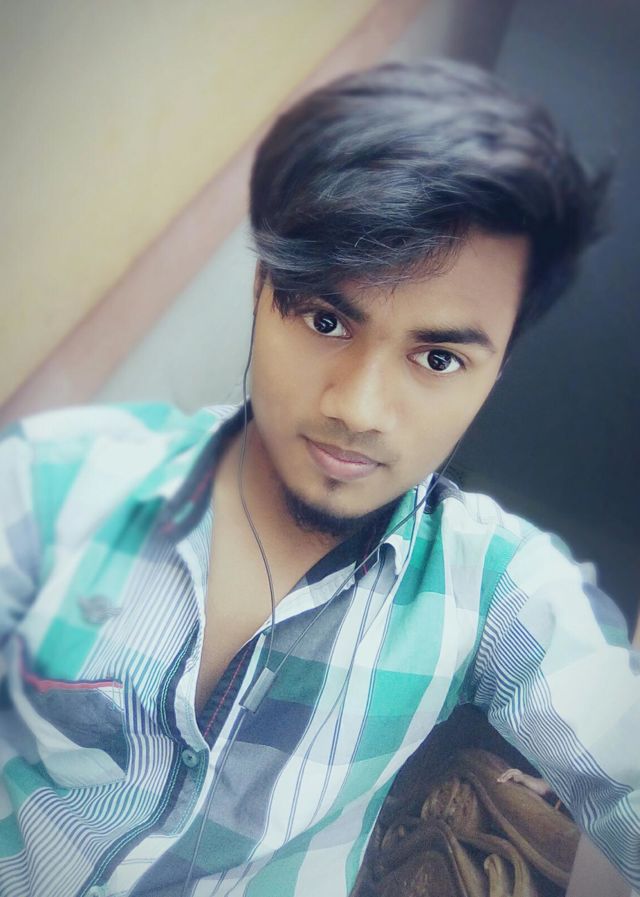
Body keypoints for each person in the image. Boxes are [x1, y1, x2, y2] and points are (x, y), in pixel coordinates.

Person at [0, 57, 637, 897]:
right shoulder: (54, 486)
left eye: (438, 358)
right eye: (326, 318)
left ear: (498, 369)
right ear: (261, 288)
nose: (359, 408)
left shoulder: (496, 587)